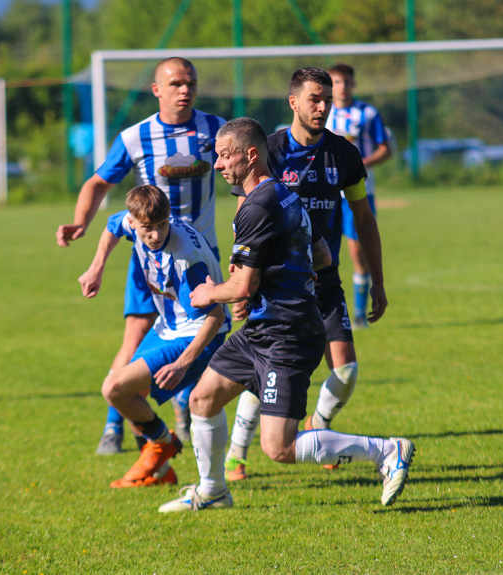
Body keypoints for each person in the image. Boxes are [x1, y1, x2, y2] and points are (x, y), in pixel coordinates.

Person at [158, 117, 413, 512]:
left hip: (287, 333)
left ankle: (385, 451)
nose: (220, 165)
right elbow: (323, 255)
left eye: (226, 156)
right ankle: (212, 491)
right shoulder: (285, 194)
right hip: (266, 326)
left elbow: (241, 287)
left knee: (278, 446)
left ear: (252, 155)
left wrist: (209, 292)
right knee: (203, 399)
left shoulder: (257, 206)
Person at [224, 67, 388, 481]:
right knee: (261, 372)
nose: (322, 107)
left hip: (326, 281)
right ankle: (237, 452)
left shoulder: (344, 154)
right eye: (314, 98)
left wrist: (378, 283)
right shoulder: (270, 152)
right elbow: (243, 219)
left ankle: (317, 426)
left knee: (346, 371)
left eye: (327, 99)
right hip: (278, 283)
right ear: (293, 102)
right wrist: (241, 281)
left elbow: (363, 218)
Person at [56, 57, 226, 454]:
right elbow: (99, 181)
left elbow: (249, 167)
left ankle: (181, 409)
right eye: (176, 84)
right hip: (148, 256)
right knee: (135, 340)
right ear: (157, 90)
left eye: (191, 83)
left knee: (199, 337)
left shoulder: (215, 130)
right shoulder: (136, 137)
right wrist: (81, 222)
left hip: (200, 256)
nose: (185, 90)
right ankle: (115, 424)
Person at [78, 184, 230, 487]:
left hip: (199, 335)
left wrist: (183, 363)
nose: (157, 235)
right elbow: (111, 226)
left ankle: (162, 445)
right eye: (148, 228)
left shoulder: (186, 259)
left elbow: (216, 315)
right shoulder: (131, 222)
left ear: (169, 216)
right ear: (134, 222)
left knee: (114, 388)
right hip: (169, 325)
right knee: (129, 398)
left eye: (162, 225)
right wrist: (96, 268)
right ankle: (161, 472)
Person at [326, 64, 392, 329]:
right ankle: (324, 312)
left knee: (356, 252)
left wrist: (360, 163)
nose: (341, 87)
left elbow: (386, 149)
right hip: (328, 192)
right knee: (324, 253)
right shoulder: (323, 112)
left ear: (353, 84)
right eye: (336, 82)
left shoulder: (367, 113)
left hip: (359, 191)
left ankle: (359, 314)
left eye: (345, 82)